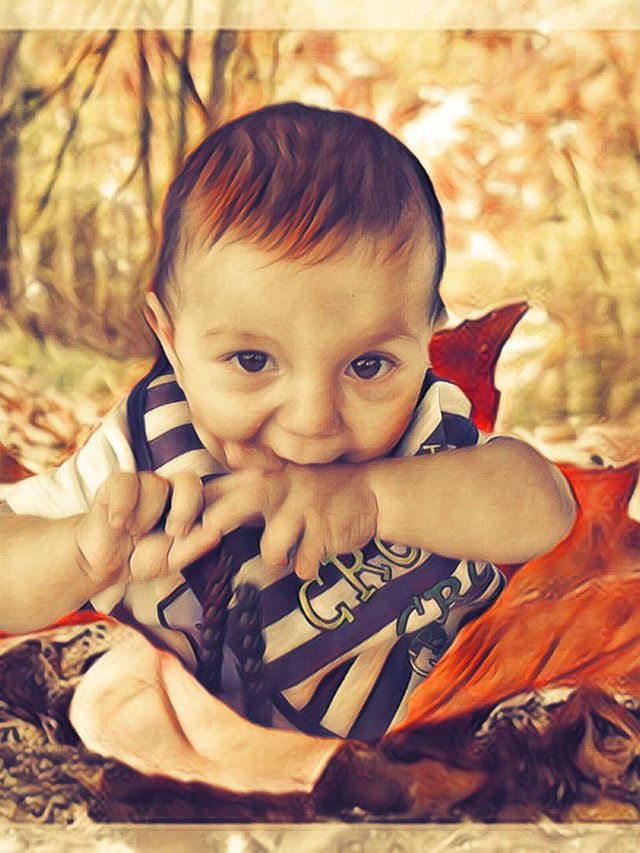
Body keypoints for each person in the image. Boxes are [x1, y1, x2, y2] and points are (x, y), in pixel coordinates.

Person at [0, 102, 576, 745]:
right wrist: (79, 552)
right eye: (252, 361)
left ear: (426, 338)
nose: (312, 420)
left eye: (367, 365)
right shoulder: (146, 456)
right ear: (171, 341)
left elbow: (546, 507)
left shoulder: (422, 433)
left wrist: (374, 498)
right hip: (234, 738)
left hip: (458, 706)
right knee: (123, 693)